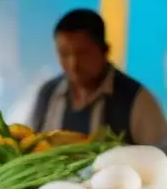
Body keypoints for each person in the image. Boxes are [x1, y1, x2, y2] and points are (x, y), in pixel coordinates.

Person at [31, 9, 167, 145]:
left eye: (83, 53)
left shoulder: (137, 100)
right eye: (64, 53)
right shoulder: (48, 94)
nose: (73, 64)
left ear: (105, 50)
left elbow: (161, 155)